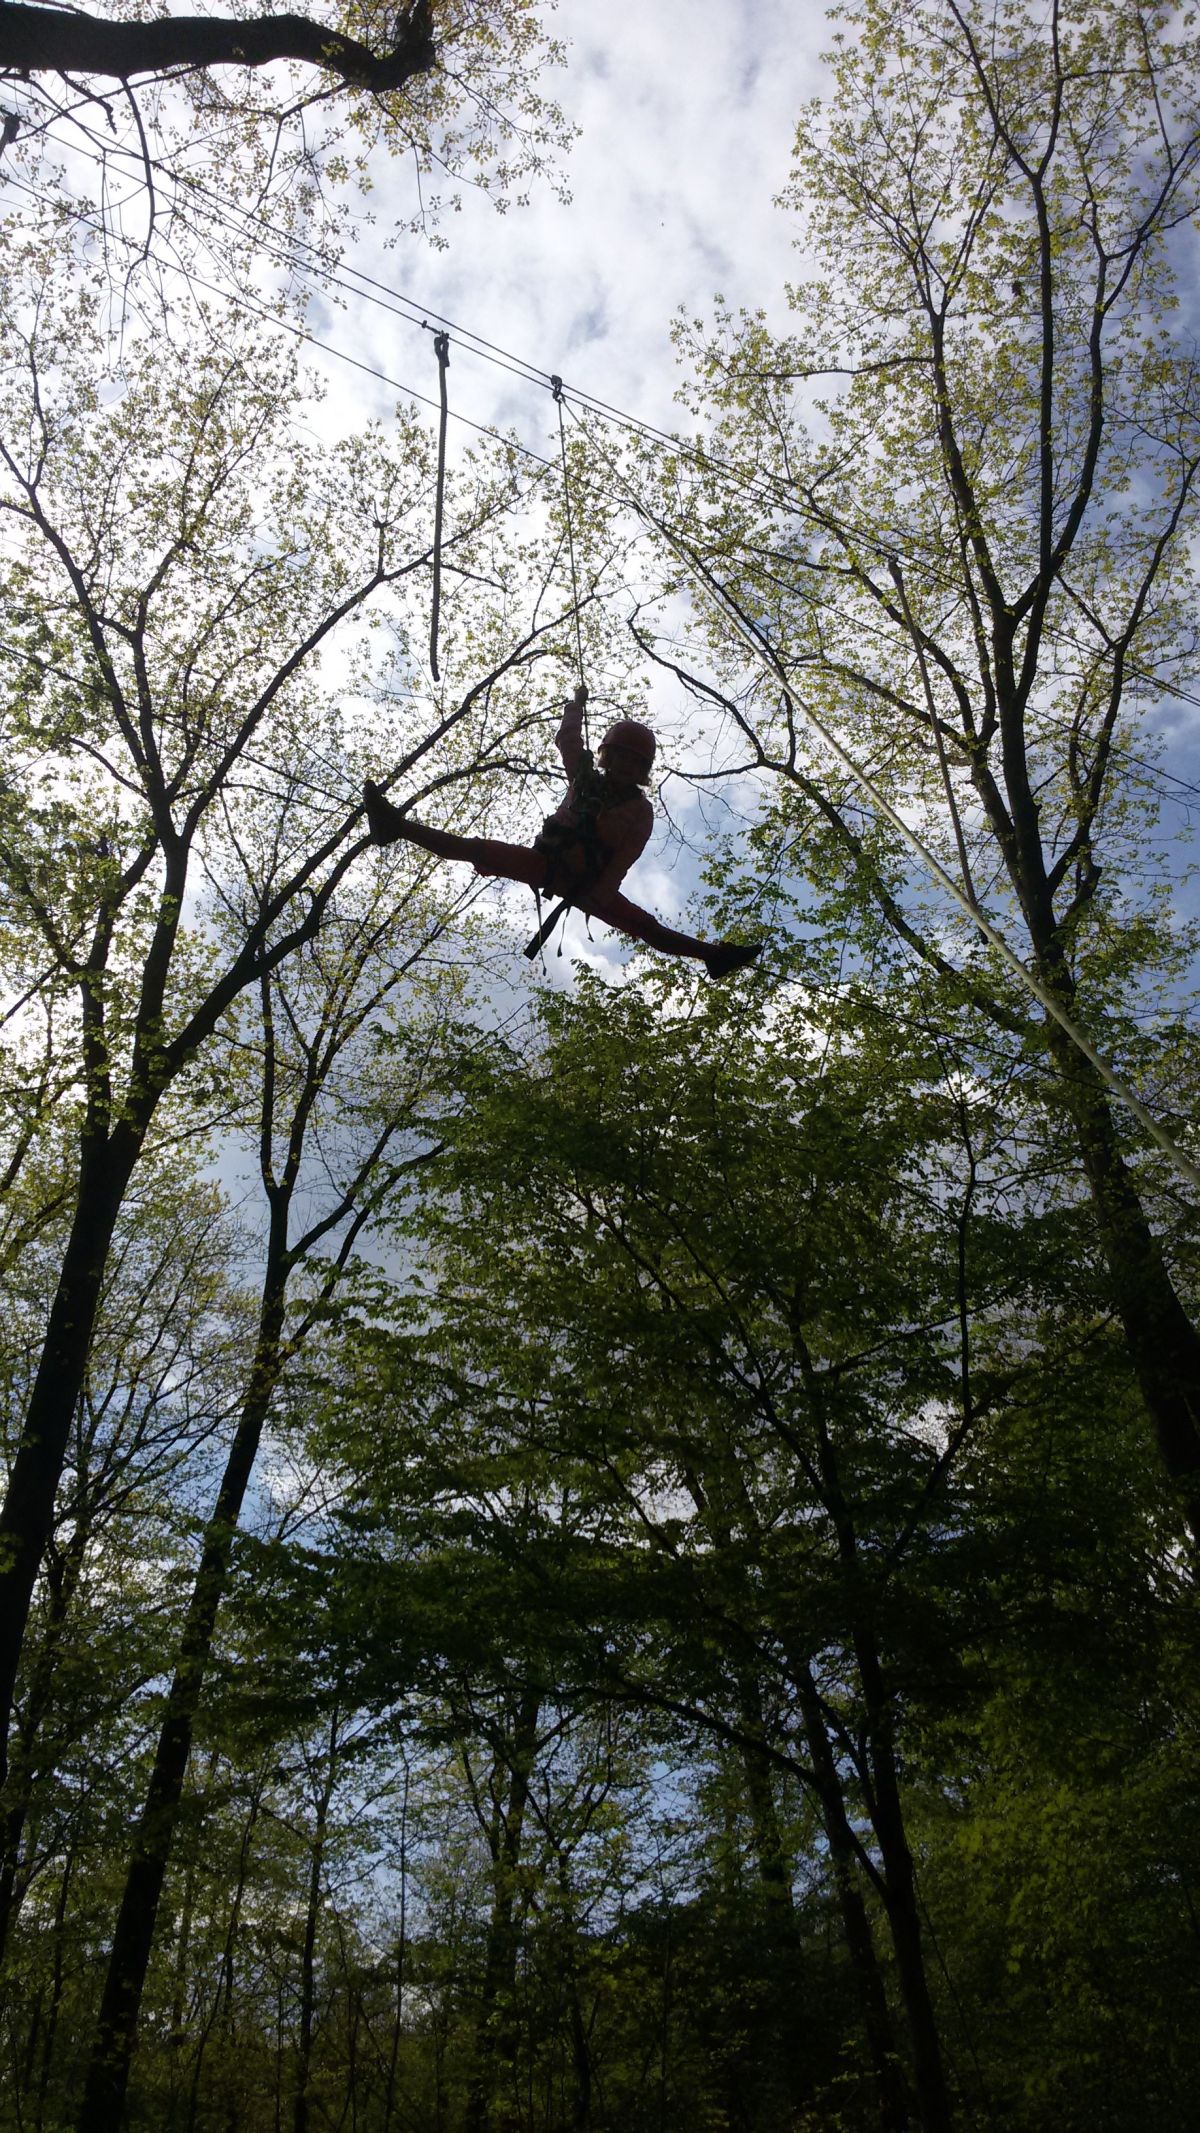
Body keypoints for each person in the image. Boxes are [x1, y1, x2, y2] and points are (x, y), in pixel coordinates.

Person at [363, 686, 763, 978]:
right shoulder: (585, 779)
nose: (625, 766)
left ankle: (713, 955)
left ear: (642, 770)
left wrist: (600, 895)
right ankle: (394, 827)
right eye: (619, 756)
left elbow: (624, 858)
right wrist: (576, 705)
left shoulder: (641, 811)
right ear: (608, 756)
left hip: (591, 884)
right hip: (548, 865)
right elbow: (567, 739)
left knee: (645, 926)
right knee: (479, 850)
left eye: (634, 762)